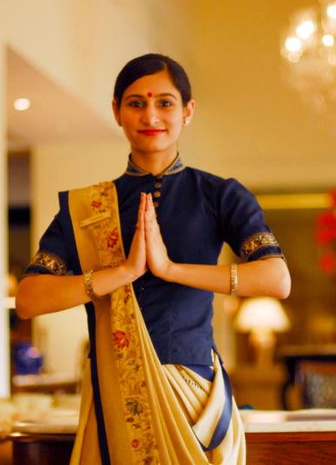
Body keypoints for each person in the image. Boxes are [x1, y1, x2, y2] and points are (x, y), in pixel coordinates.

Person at [16, 53, 291, 464]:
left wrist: (171, 269)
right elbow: (29, 299)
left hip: (195, 391)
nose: (151, 115)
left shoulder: (219, 195)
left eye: (165, 102)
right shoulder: (86, 207)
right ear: (116, 111)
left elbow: (276, 279)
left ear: (187, 111)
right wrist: (121, 273)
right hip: (114, 390)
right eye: (136, 103)